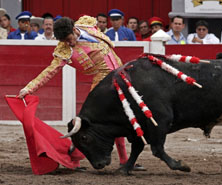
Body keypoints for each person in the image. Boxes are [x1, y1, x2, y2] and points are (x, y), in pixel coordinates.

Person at [17, 15, 144, 170]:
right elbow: (49, 72)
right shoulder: (64, 50)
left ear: (74, 29)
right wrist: (29, 88)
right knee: (96, 122)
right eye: (65, 41)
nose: (69, 43)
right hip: (103, 87)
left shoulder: (87, 25)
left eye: (70, 38)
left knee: (118, 119)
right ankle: (75, 159)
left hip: (122, 75)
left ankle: (124, 160)